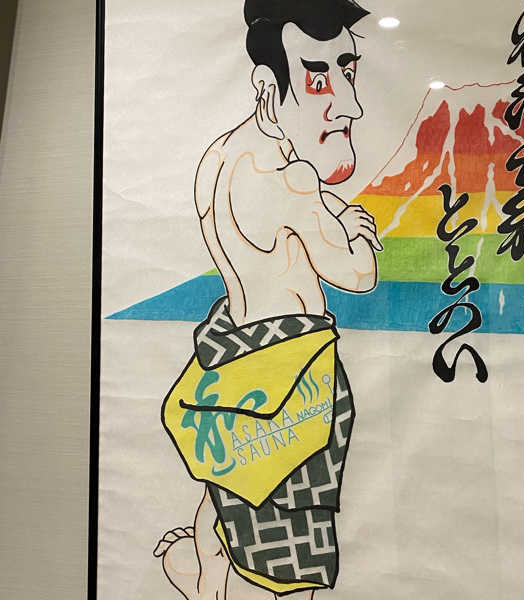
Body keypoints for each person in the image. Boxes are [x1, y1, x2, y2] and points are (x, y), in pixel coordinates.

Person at [153, 1, 379, 598]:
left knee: (226, 498)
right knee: (292, 545)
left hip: (231, 353)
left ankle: (205, 580)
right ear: (265, 85)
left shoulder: (217, 159)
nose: (350, 105)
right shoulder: (290, 179)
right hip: (290, 369)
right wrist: (354, 228)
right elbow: (358, 274)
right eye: (318, 77)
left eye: (348, 71)